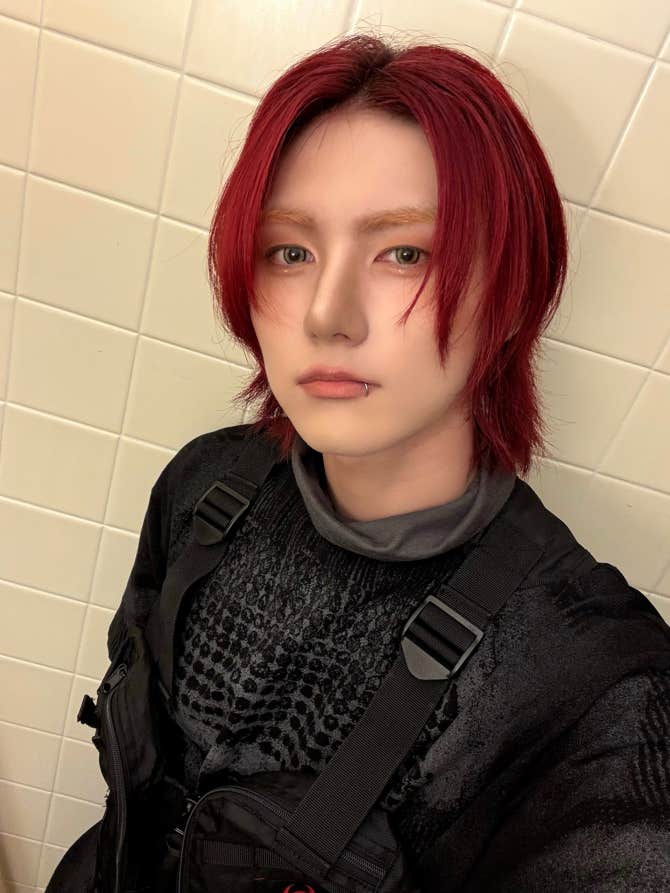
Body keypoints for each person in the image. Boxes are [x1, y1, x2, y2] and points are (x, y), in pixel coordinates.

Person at [47, 32, 670, 892]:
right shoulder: (205, 484)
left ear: (509, 290)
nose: (327, 314)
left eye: (405, 253)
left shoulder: (594, 685)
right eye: (291, 252)